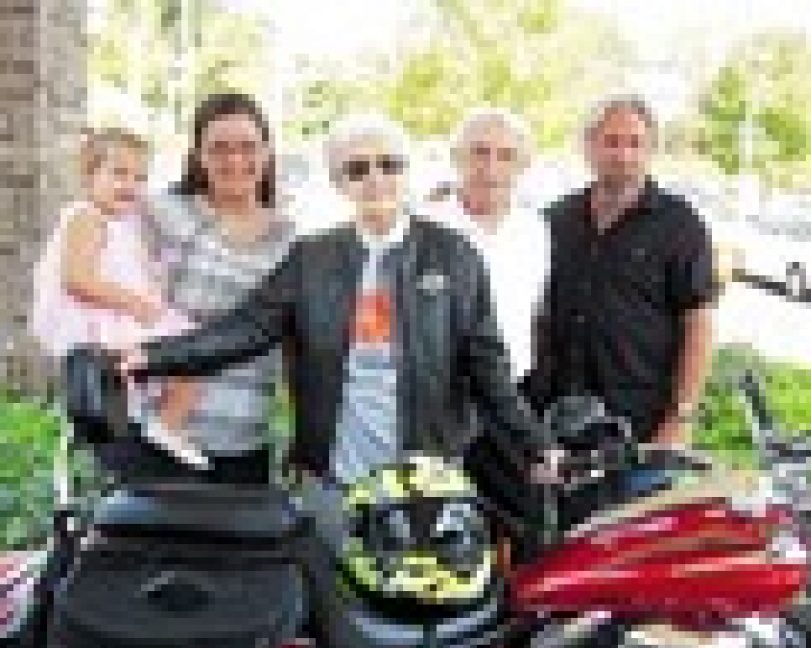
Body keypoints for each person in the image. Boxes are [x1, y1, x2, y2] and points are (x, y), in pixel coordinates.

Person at [118, 113, 551, 534]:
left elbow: (489, 367)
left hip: (424, 476)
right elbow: (244, 330)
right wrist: (149, 357)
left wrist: (537, 443)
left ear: (407, 172)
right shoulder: (313, 257)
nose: (375, 179)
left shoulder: (453, 254)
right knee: (330, 593)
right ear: (339, 182)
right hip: (333, 475)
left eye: (389, 165)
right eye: (357, 169)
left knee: (412, 598)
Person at [526, 95, 717, 465]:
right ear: (588, 147)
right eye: (611, 141)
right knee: (561, 523)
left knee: (632, 521)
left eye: (635, 143)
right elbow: (536, 314)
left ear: (651, 150)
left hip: (640, 426)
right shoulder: (555, 220)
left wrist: (680, 419)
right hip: (556, 422)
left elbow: (698, 323)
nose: (623, 154)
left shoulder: (680, 225)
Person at [141, 91, 296, 485]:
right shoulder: (162, 212)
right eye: (219, 148)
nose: (234, 160)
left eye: (248, 147)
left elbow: (296, 339)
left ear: (267, 153)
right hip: (156, 434)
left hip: (245, 439)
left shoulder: (290, 238)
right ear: (198, 155)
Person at [30, 126, 205, 468]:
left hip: (116, 313)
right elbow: (77, 278)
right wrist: (134, 302)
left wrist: (150, 287)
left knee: (186, 357)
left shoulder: (122, 223)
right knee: (191, 354)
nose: (131, 185)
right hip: (98, 317)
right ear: (89, 175)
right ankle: (166, 426)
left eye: (140, 178)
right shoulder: (88, 218)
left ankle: (159, 427)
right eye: (119, 174)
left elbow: (135, 267)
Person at [422, 108, 549, 381]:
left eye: (506, 156)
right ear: (457, 157)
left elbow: (535, 314)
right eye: (480, 152)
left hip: (512, 389)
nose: (491, 168)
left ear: (523, 166)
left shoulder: (535, 229)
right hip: (436, 392)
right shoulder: (420, 228)